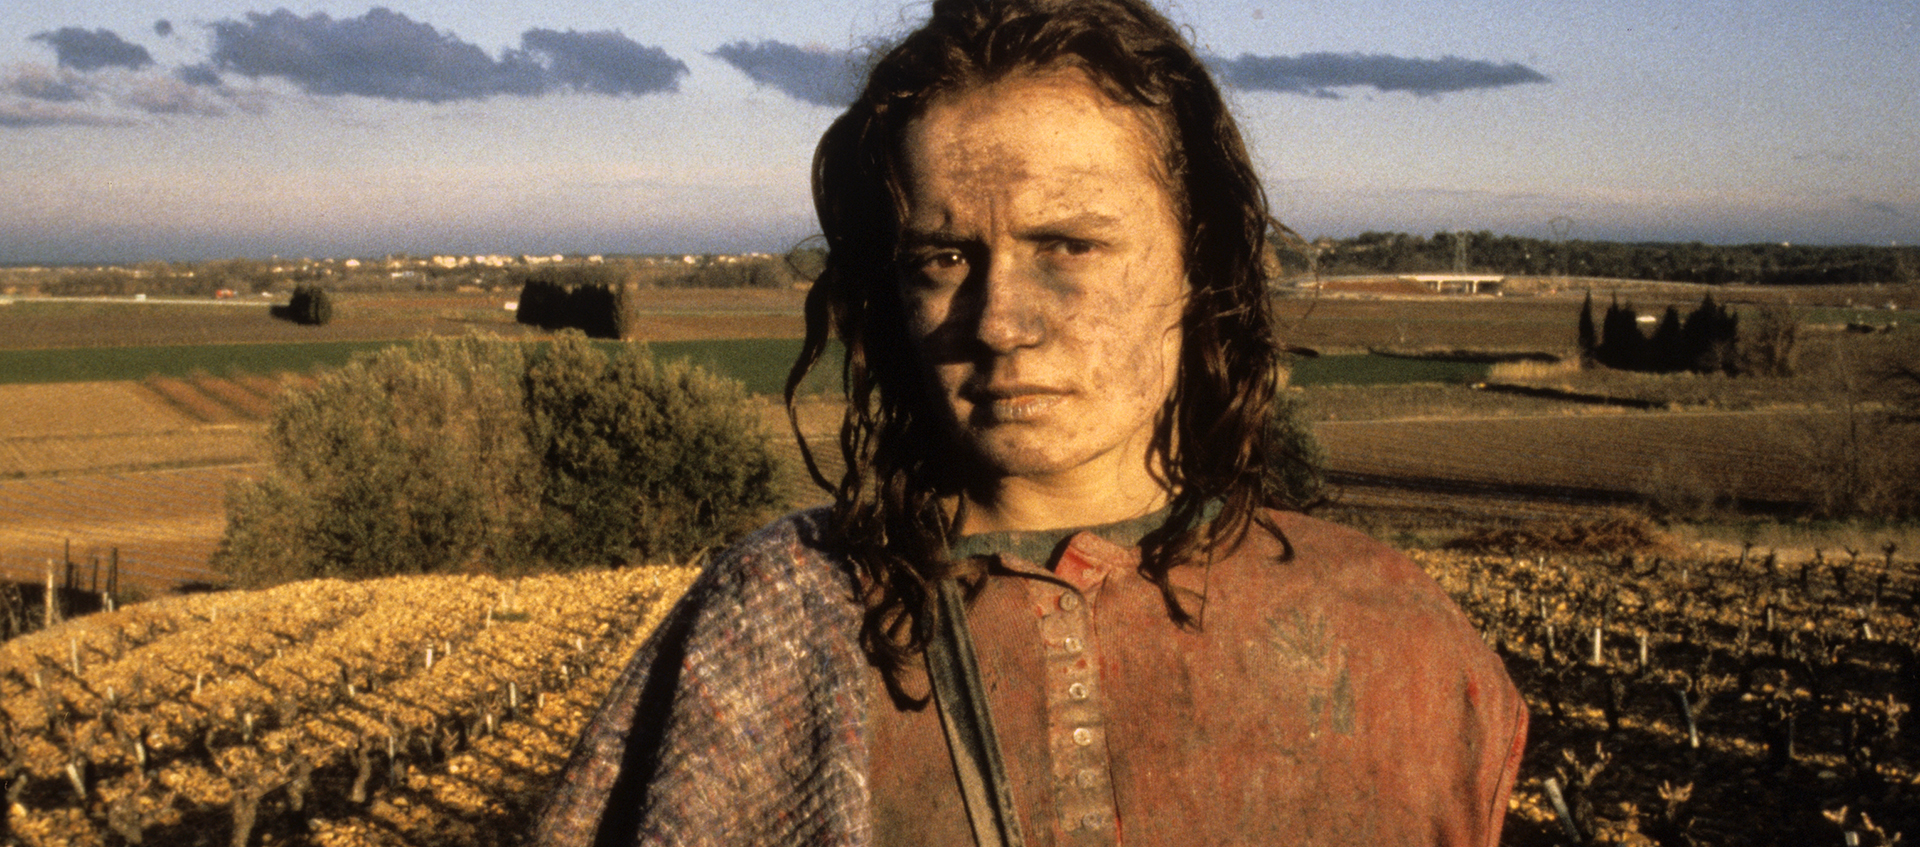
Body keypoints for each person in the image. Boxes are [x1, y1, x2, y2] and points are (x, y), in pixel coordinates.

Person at [533, 0, 1526, 844]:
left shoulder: (1404, 645)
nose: (999, 321)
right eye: (944, 257)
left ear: (1202, 260)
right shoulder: (770, 628)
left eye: (1069, 245)